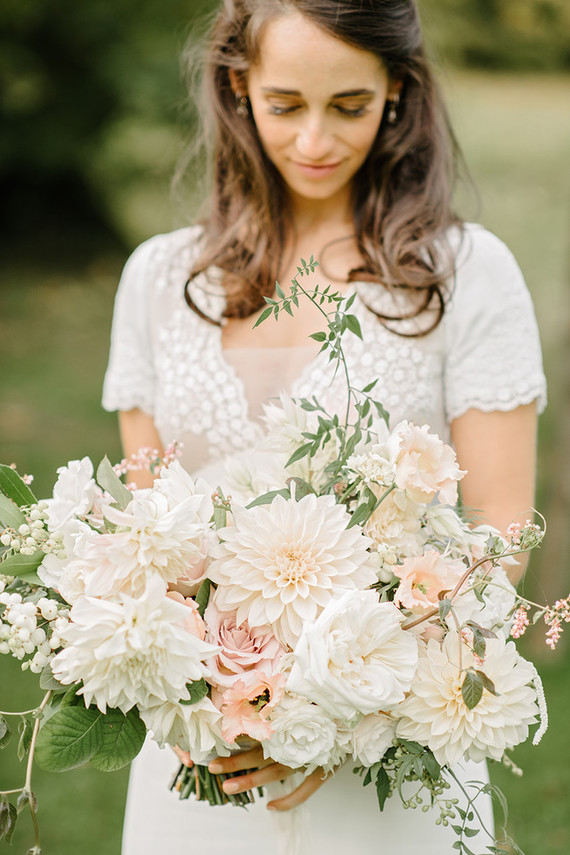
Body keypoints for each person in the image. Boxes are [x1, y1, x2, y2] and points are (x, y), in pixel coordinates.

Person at [102, 1, 546, 852]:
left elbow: (499, 533)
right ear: (239, 88)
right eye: (285, 104)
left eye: (349, 106)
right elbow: (150, 539)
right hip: (204, 753)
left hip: (392, 747)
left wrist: (339, 717)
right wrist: (221, 698)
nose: (315, 139)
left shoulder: (464, 274)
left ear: (397, 91)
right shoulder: (159, 280)